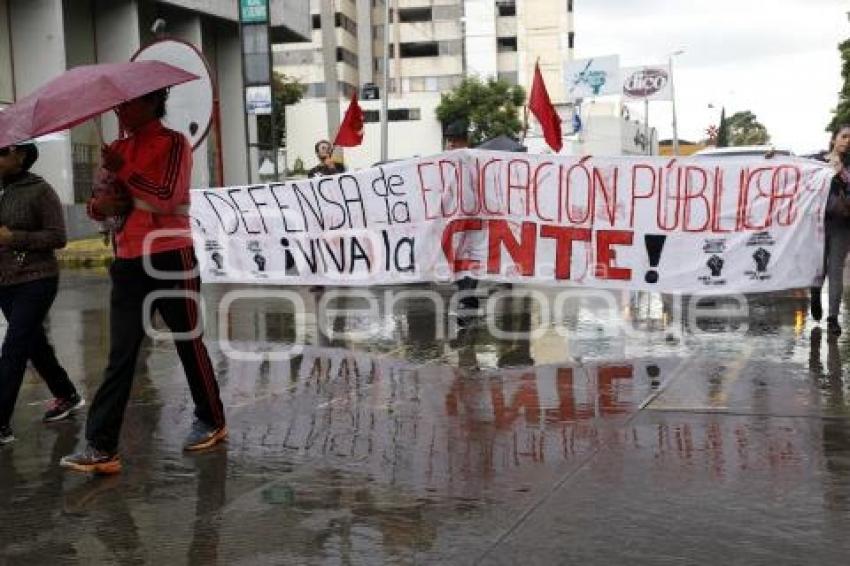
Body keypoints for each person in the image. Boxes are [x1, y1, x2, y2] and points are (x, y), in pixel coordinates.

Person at [61, 88, 226, 474]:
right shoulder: (117, 147)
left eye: (128, 102)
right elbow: (100, 203)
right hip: (127, 258)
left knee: (188, 341)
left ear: (153, 101)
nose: (119, 109)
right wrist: (98, 207)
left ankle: (212, 418)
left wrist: (124, 170)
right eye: (117, 103)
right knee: (120, 354)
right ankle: (102, 447)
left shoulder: (173, 143)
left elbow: (168, 197)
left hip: (170, 254)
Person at [0, 143, 84, 446]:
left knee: (14, 347)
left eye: (2, 152)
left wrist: (15, 237)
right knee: (34, 344)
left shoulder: (40, 190)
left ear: (21, 155)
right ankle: (67, 394)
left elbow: (58, 237)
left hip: (36, 279)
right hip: (4, 281)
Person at [810, 123, 850, 337]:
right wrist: (770, 157)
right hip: (817, 223)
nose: (847, 141)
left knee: (835, 270)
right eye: (844, 136)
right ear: (834, 139)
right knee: (819, 266)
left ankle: (832, 318)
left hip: (843, 224)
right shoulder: (816, 160)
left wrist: (841, 171)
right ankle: (815, 293)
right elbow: (793, 169)